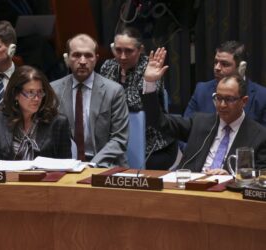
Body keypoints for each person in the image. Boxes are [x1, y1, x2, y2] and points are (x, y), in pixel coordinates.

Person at [143, 48, 266, 174]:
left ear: (243, 101)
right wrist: (150, 83)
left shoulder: (259, 135)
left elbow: (262, 175)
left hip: (227, 191)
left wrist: (232, 177)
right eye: (218, 98)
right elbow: (159, 121)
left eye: (229, 99)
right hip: (191, 185)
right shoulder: (199, 122)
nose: (222, 105)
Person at [100, 27, 178, 170]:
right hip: (118, 140)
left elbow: (138, 105)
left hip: (155, 145)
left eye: (128, 51)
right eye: (118, 50)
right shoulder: (108, 66)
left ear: (140, 49)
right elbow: (101, 101)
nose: (122, 56)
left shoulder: (151, 67)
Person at [51, 34, 129, 167]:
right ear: (67, 58)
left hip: (103, 164)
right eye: (76, 55)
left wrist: (93, 165)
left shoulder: (114, 91)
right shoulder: (53, 90)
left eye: (88, 55)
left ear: (96, 59)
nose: (82, 61)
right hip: (65, 165)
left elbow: (119, 139)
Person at [0, 65, 72, 161]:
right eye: (30, 92)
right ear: (15, 94)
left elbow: (66, 165)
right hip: (8, 181)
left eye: (40, 92)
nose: (37, 98)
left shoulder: (57, 122)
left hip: (44, 182)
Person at [184, 40, 266, 126]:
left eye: (224, 64)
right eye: (216, 62)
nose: (217, 68)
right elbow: (185, 128)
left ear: (242, 67)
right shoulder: (201, 90)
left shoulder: (262, 96)